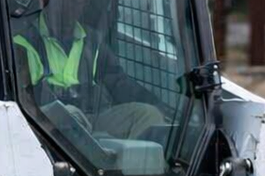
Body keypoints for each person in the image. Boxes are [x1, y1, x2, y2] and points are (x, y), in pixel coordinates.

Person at [11, 0, 166, 141]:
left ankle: (128, 168)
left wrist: (159, 105)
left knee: (148, 115)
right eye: (65, 3)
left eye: (77, 2)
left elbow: (119, 83)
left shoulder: (93, 42)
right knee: (68, 115)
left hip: (91, 119)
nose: (71, 7)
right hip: (46, 126)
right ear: (47, 3)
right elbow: (25, 104)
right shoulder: (24, 43)